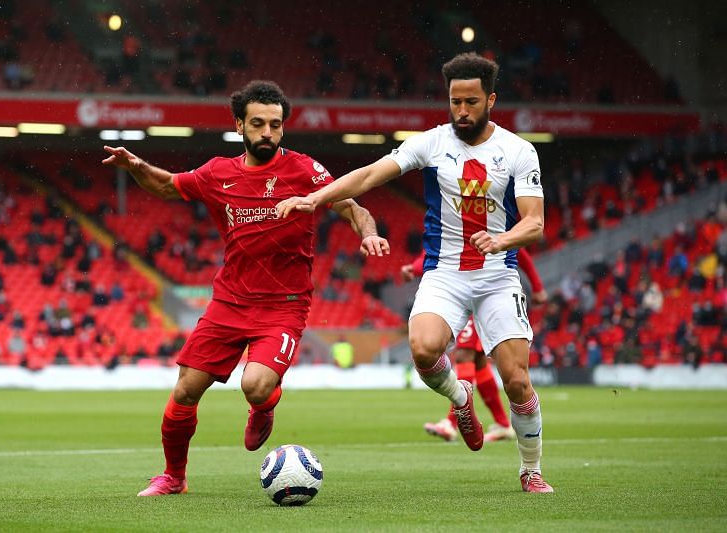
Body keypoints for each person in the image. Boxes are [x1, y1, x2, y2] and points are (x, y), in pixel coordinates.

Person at [277, 53, 553, 493]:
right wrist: (317, 198)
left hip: (498, 275)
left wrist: (501, 240)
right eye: (454, 101)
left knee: (516, 380)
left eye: (471, 101)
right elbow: (369, 175)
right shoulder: (431, 143)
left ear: (491, 100)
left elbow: (534, 222)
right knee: (424, 351)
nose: (461, 110)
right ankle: (461, 399)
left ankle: (530, 470)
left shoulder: (519, 151)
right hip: (444, 272)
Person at [102, 80, 390, 497]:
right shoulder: (219, 172)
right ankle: (174, 477)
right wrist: (135, 166)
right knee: (185, 390)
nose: (267, 133)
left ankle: (263, 406)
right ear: (240, 125)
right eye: (258, 124)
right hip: (229, 302)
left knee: (253, 384)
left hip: (284, 305)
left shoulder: (305, 170)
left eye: (275, 124)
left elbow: (352, 205)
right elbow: (168, 185)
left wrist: (368, 233)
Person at [402, 248, 547, 443]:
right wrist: (414, 267)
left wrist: (537, 286)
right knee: (477, 362)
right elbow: (434, 251)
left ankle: (451, 422)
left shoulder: (492, 223)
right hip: (455, 289)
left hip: (487, 290)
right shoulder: (446, 225)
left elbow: (519, 249)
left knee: (465, 355)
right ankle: (502, 423)